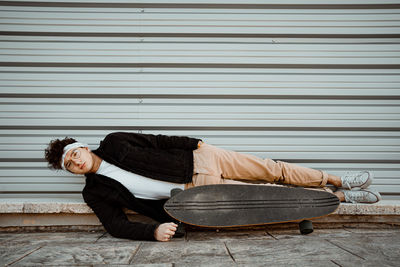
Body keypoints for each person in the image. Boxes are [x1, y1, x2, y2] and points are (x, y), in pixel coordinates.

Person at [44, 132, 381, 242]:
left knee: (271, 170)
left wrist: (196, 143)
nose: (76, 162)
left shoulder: (115, 142)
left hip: (202, 160)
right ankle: (340, 199)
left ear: (83, 147)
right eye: (69, 164)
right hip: (197, 199)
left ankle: (336, 179)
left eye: (75, 153)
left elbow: (157, 141)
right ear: (71, 170)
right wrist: (154, 231)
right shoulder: (94, 192)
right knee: (272, 196)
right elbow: (115, 225)